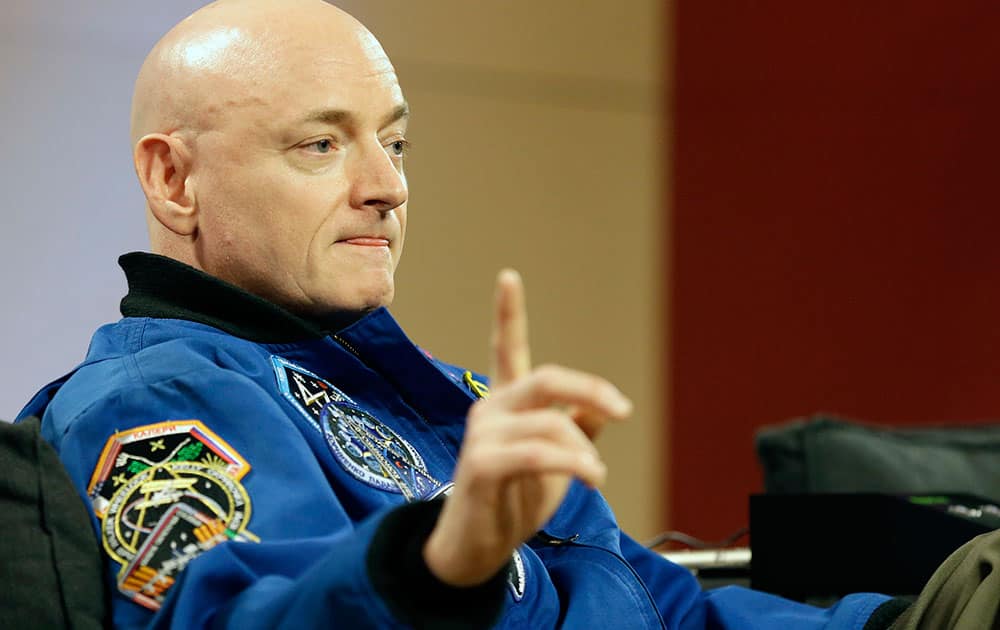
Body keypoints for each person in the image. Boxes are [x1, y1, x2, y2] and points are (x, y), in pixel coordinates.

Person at [18, 0, 908, 627]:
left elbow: (665, 612)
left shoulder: (450, 397)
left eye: (395, 142)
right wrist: (441, 561)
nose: (388, 186)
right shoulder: (153, 406)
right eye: (321, 145)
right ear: (174, 180)